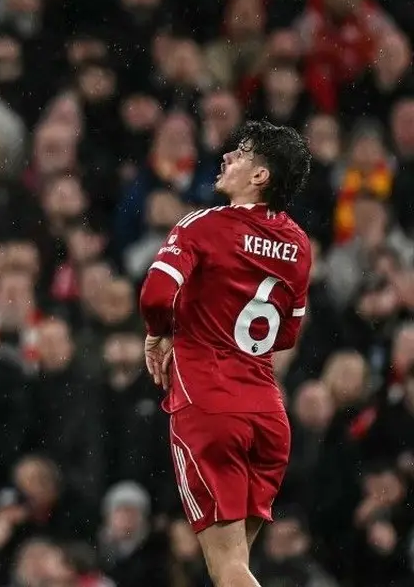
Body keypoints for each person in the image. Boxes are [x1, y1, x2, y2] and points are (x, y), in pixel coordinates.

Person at [138, 120, 313, 587]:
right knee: (236, 565)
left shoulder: (205, 225)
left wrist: (160, 332)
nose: (227, 157)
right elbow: (287, 334)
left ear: (260, 175)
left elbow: (155, 295)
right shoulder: (298, 244)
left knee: (228, 569)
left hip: (210, 405)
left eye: (241, 152)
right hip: (267, 415)